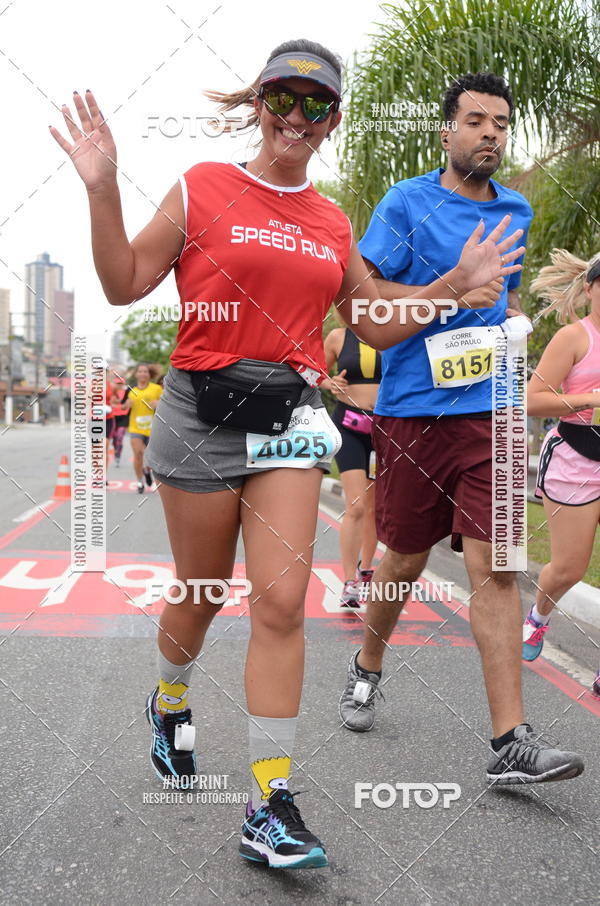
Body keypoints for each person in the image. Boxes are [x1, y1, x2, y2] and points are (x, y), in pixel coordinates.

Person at [51, 44, 524, 868]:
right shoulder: (203, 186)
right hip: (200, 413)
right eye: (284, 98)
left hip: (291, 421)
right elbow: (125, 281)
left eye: (316, 105)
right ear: (259, 102)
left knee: (280, 605)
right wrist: (100, 190)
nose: (297, 117)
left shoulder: (332, 219)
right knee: (197, 598)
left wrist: (452, 286)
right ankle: (170, 701)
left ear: (331, 119)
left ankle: (269, 802)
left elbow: (373, 321)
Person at [337, 71, 585, 784]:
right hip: (414, 414)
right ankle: (367, 664)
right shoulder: (407, 203)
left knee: (495, 569)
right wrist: (451, 294)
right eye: (475, 120)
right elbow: (370, 305)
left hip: (493, 416)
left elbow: (500, 302)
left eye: (500, 123)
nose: (489, 133)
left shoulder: (516, 210)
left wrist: (507, 320)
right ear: (446, 132)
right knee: (405, 561)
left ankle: (511, 740)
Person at [524, 249, 600, 697]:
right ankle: (538, 616)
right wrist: (590, 399)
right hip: (575, 456)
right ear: (590, 287)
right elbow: (532, 400)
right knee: (569, 567)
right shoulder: (575, 337)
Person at [323, 326, 381, 606]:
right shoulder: (338, 337)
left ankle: (366, 572)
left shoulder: (397, 329)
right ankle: (349, 582)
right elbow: (314, 373)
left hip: (385, 429)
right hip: (348, 426)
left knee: (374, 508)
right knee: (356, 506)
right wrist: (329, 382)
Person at [122, 363, 162, 493]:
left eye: (145, 372)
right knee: (138, 454)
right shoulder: (131, 391)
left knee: (151, 457)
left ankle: (146, 470)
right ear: (136, 374)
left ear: (149, 375)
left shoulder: (156, 389)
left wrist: (159, 403)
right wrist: (126, 405)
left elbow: (167, 403)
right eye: (140, 371)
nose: (143, 374)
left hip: (153, 429)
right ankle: (140, 481)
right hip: (135, 428)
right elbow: (122, 406)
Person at [110, 374, 129, 468]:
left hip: (123, 416)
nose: (119, 385)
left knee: (120, 436)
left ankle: (118, 455)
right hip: (113, 417)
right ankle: (116, 454)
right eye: (117, 383)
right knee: (114, 439)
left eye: (121, 383)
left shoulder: (126, 392)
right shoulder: (111, 392)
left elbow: (128, 403)